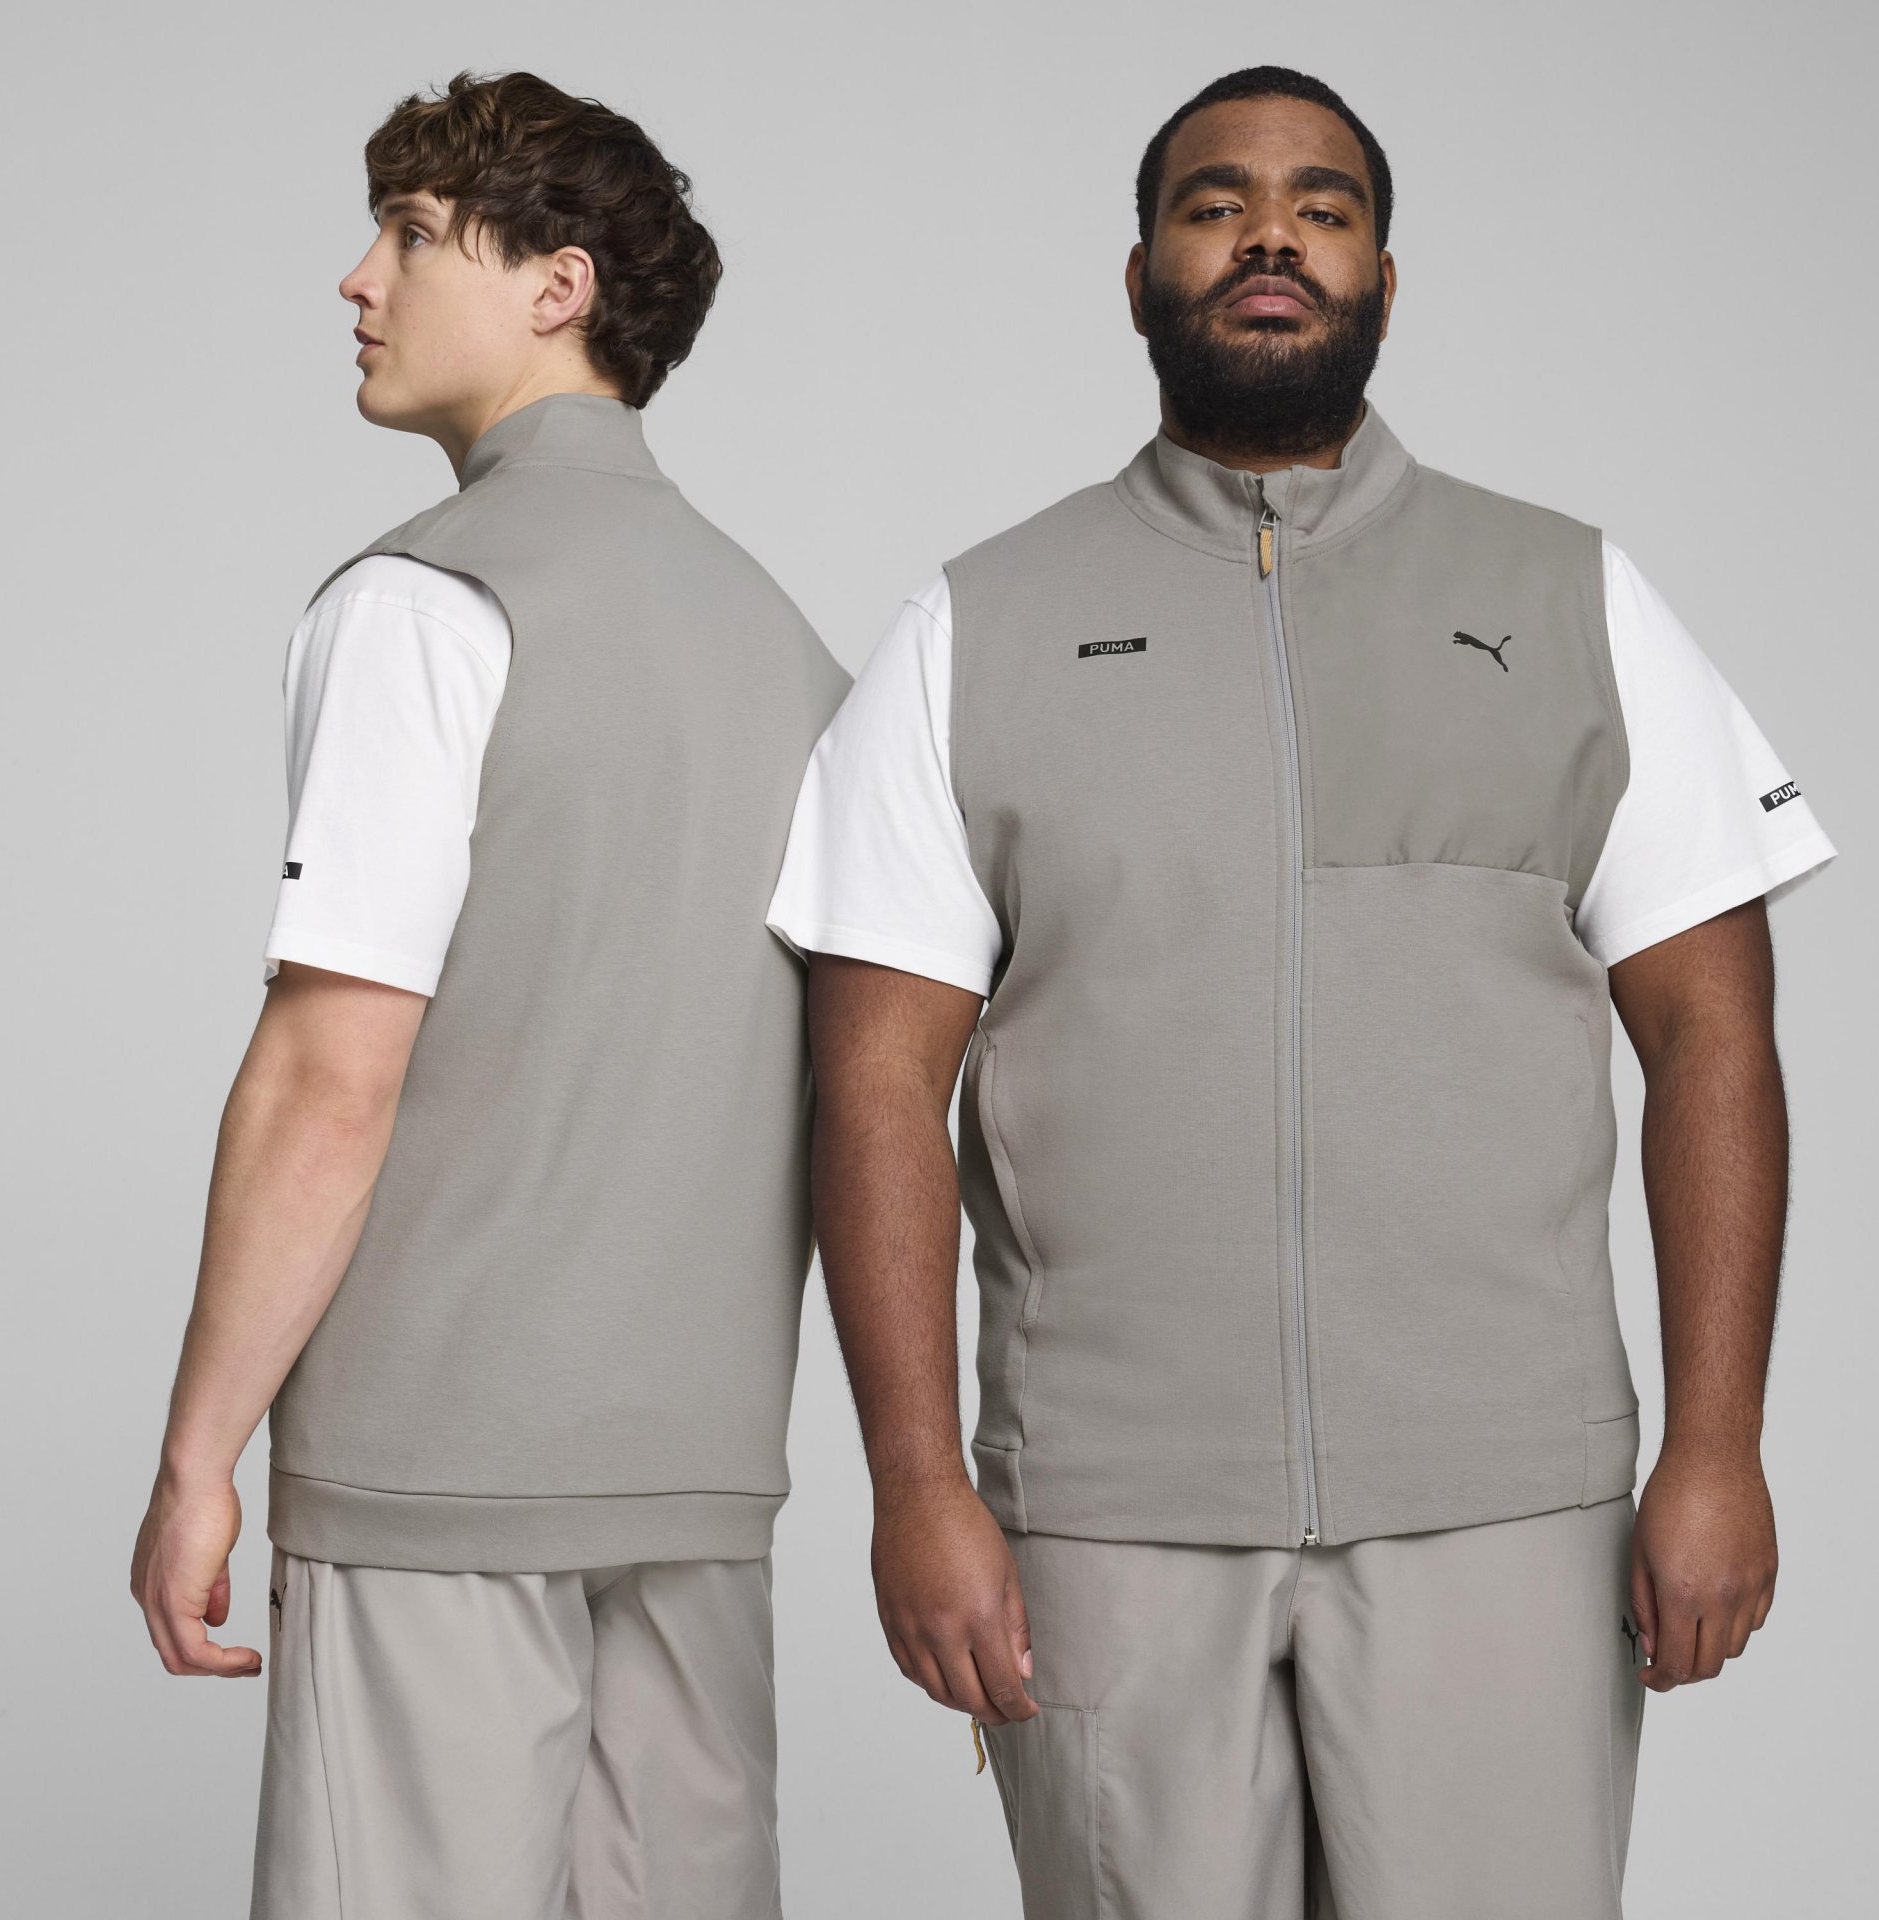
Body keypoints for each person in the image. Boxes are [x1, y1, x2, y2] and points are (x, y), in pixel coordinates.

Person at [767, 64, 1835, 1919]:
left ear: (1385, 279)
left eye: (1322, 207)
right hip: (1104, 1512)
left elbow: (1712, 1036)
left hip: (1507, 1502)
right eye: (1216, 204)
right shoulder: (972, 627)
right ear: (1138, 275)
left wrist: (1719, 1447)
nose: (1270, 235)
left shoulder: (1573, 598)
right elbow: (872, 1086)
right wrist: (918, 1481)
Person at [129, 70, 848, 1919]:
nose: (357, 279)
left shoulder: (427, 605)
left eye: (412, 235)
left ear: (559, 286)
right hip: (697, 1484)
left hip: (436, 1471)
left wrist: (200, 1455)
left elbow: (329, 1075)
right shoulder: (790, 647)